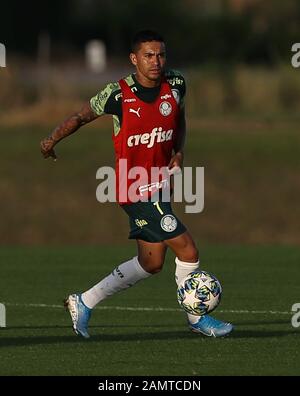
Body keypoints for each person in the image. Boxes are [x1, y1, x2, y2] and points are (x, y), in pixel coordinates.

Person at [40, 30, 233, 338]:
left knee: (151, 262)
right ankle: (197, 319)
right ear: (134, 59)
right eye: (148, 55)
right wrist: (51, 140)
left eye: (160, 55)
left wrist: (179, 151)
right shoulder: (116, 95)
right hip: (133, 187)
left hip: (161, 185)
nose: (156, 61)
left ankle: (84, 301)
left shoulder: (177, 84)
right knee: (188, 250)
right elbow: (79, 117)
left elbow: (180, 119)